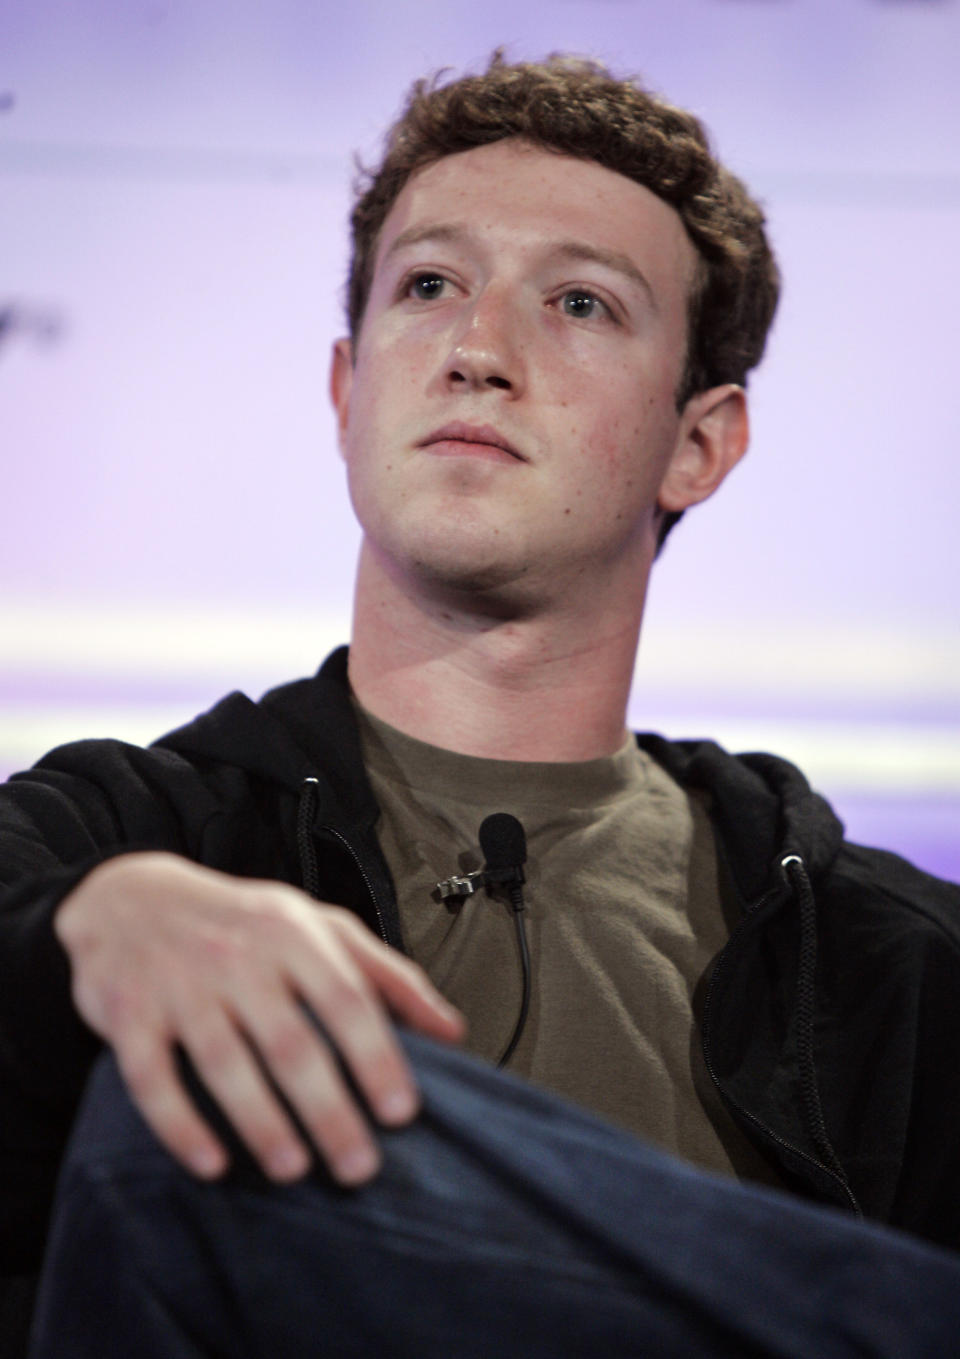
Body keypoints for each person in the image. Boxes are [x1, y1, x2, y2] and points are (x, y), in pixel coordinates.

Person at [3, 51, 960, 1357]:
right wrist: (86, 931)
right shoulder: (127, 833)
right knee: (166, 1107)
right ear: (348, 397)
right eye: (431, 285)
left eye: (578, 301)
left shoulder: (892, 968)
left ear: (701, 443)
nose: (475, 349)